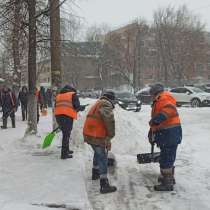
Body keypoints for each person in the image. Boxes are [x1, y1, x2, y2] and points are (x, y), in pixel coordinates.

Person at [148, 83, 182, 191]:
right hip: (168, 134)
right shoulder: (159, 100)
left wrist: (157, 119)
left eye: (151, 94)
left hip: (169, 133)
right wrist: (152, 130)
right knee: (167, 157)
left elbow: (170, 109)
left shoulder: (163, 98)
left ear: (155, 93)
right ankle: (168, 178)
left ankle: (167, 184)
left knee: (166, 158)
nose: (151, 97)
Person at [83, 91, 117, 194]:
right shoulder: (106, 104)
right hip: (96, 134)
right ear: (111, 99)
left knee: (97, 152)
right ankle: (104, 184)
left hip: (89, 133)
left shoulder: (98, 103)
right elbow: (109, 120)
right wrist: (110, 135)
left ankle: (95, 172)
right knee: (102, 157)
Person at [54, 85, 85, 159]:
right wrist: (82, 108)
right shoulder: (72, 94)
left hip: (58, 116)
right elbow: (76, 106)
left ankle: (66, 150)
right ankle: (64, 154)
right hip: (66, 116)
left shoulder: (59, 95)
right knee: (66, 135)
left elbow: (57, 105)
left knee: (65, 133)